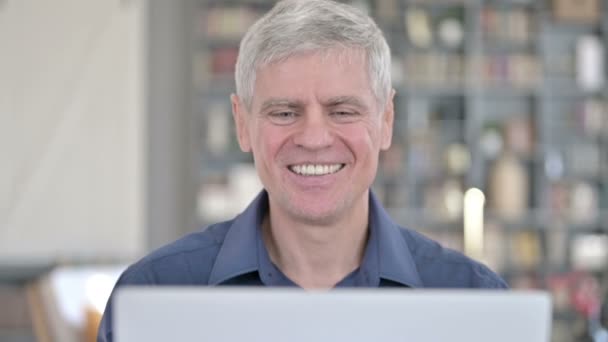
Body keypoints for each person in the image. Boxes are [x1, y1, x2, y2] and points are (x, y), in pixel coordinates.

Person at [98, 0, 507, 341]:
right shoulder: (154, 295)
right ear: (242, 124)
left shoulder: (478, 302)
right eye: (284, 112)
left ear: (386, 120)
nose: (313, 138)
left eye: (343, 111)